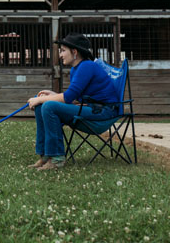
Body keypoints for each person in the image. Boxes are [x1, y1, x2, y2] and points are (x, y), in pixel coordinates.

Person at [27, 33, 118, 170]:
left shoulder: (86, 66)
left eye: (63, 50)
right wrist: (53, 96)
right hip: (89, 108)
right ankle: (45, 155)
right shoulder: (76, 69)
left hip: (102, 113)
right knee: (42, 106)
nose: (60, 54)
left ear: (74, 52)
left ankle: (57, 158)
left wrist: (41, 98)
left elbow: (68, 97)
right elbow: (73, 95)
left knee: (48, 106)